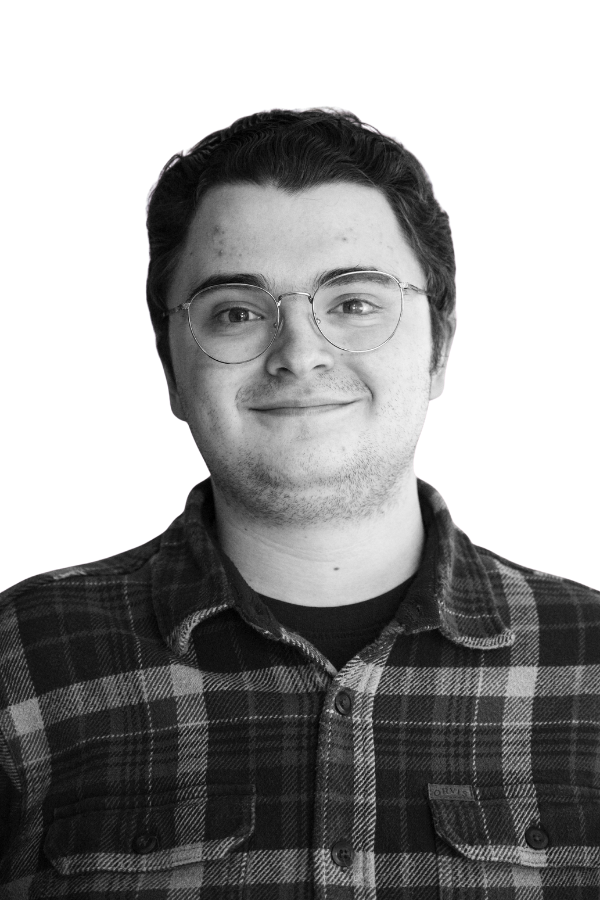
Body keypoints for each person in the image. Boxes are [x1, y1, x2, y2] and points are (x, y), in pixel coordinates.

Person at [1, 107, 598, 897]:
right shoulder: (19, 657)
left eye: (353, 301)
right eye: (238, 312)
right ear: (171, 373)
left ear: (441, 349)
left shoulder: (590, 666)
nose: (299, 352)